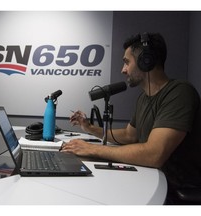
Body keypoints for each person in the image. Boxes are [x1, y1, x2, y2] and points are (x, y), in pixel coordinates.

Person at [61, 32, 201, 204]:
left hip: (174, 191)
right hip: (149, 178)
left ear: (146, 60)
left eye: (127, 62)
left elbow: (154, 154)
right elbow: (129, 135)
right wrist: (89, 128)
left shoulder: (180, 92)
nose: (123, 69)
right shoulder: (144, 98)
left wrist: (92, 149)